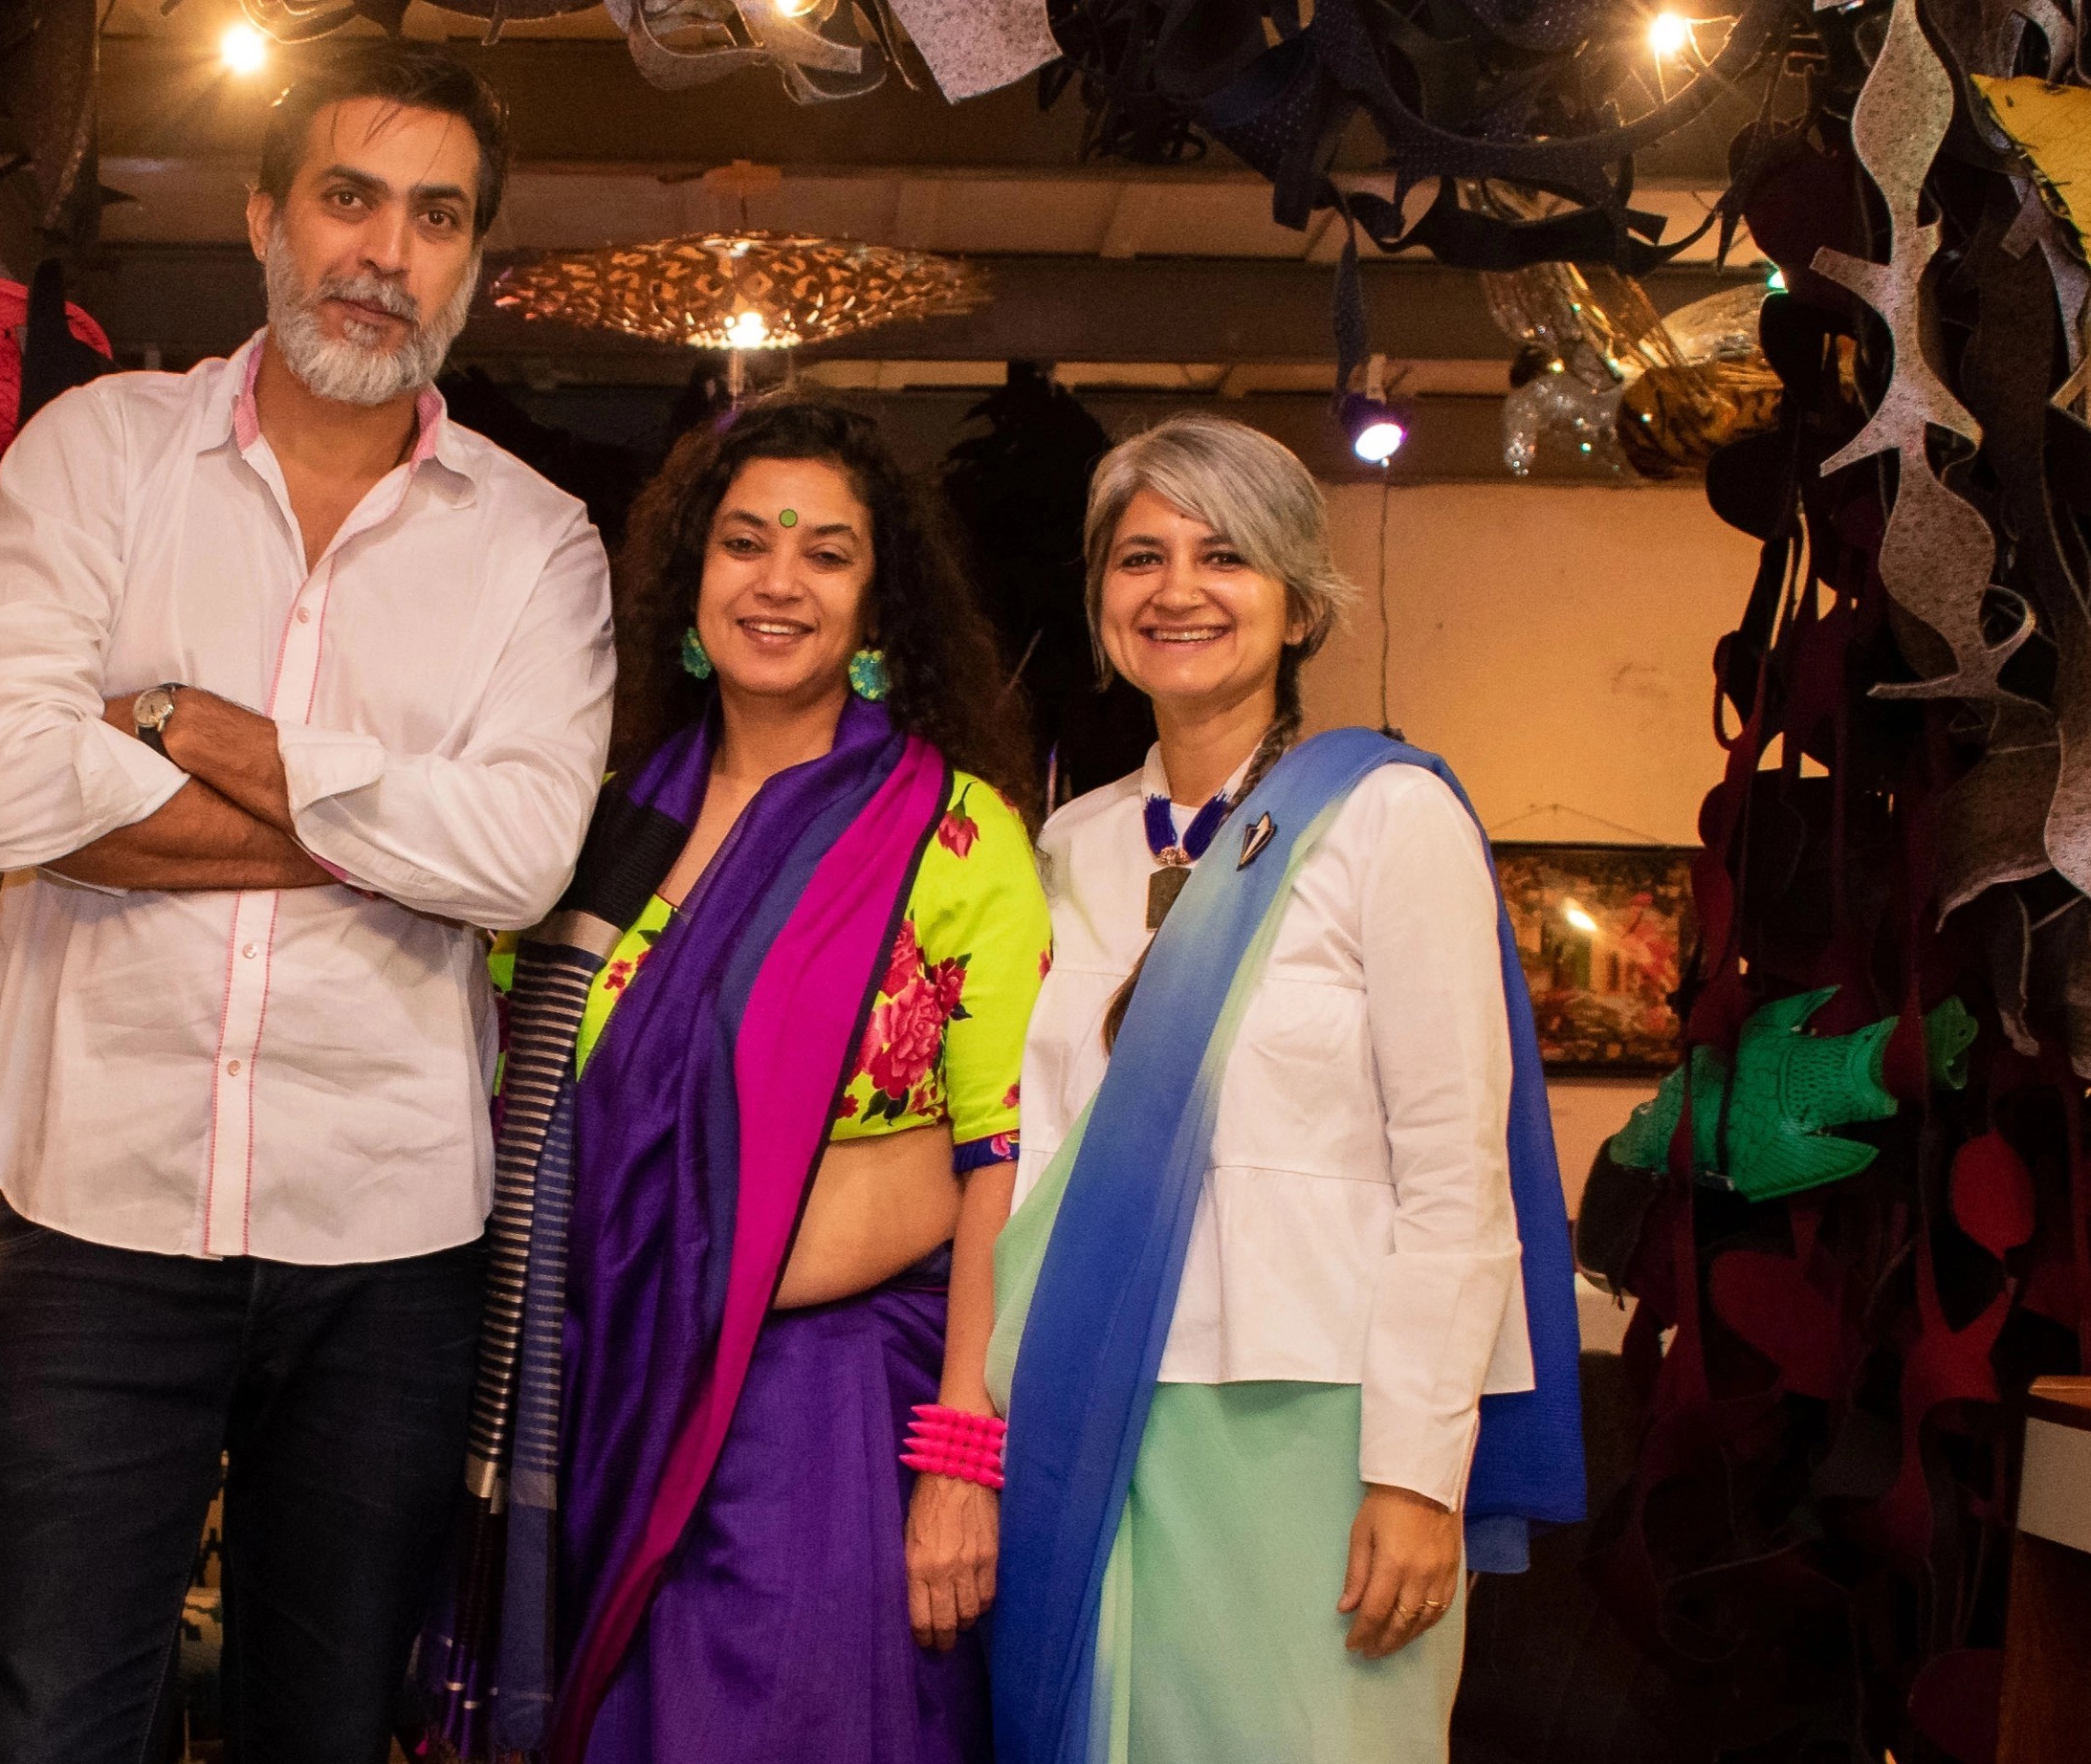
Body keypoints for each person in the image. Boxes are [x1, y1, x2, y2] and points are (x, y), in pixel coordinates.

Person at [0, 40, 615, 1764]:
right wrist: (393, 820)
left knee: (326, 1729)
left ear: (475, 262)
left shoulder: (537, 548)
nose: (384, 251)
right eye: (348, 196)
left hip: (386, 1236)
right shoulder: (98, 456)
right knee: (44, 1724)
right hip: (98, 1207)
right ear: (263, 217)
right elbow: (5, 791)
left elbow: (521, 861)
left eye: (435, 215)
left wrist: (178, 724)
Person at [423, 397, 1049, 1764]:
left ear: (877, 603)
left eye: (826, 553)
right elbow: (500, 1096)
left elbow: (1004, 1155)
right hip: (596, 1398)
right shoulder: (590, 828)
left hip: (824, 1422)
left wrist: (958, 1455)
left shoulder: (951, 834)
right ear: (687, 581)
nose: (778, 581)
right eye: (745, 542)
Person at [985, 415, 1584, 1764]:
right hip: (1090, 1410)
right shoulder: (1064, 847)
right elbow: (1027, 1160)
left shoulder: (1386, 819)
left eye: (1226, 556)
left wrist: (1417, 1476)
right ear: (1099, 603)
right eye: (1140, 557)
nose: (1177, 590)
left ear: (1299, 601)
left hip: (1313, 1421)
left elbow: (1455, 1177)